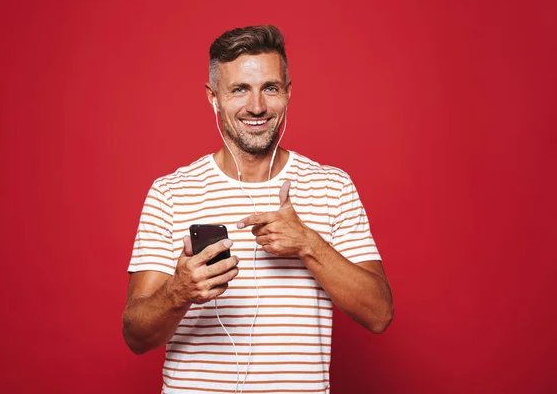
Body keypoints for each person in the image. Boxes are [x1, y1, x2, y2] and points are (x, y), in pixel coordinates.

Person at [123, 25, 393, 394]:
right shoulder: (170, 193)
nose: (256, 107)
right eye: (239, 90)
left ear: (288, 92)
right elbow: (136, 335)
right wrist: (178, 292)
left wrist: (308, 244)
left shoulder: (332, 187)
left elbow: (379, 315)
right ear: (213, 97)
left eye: (270, 88)